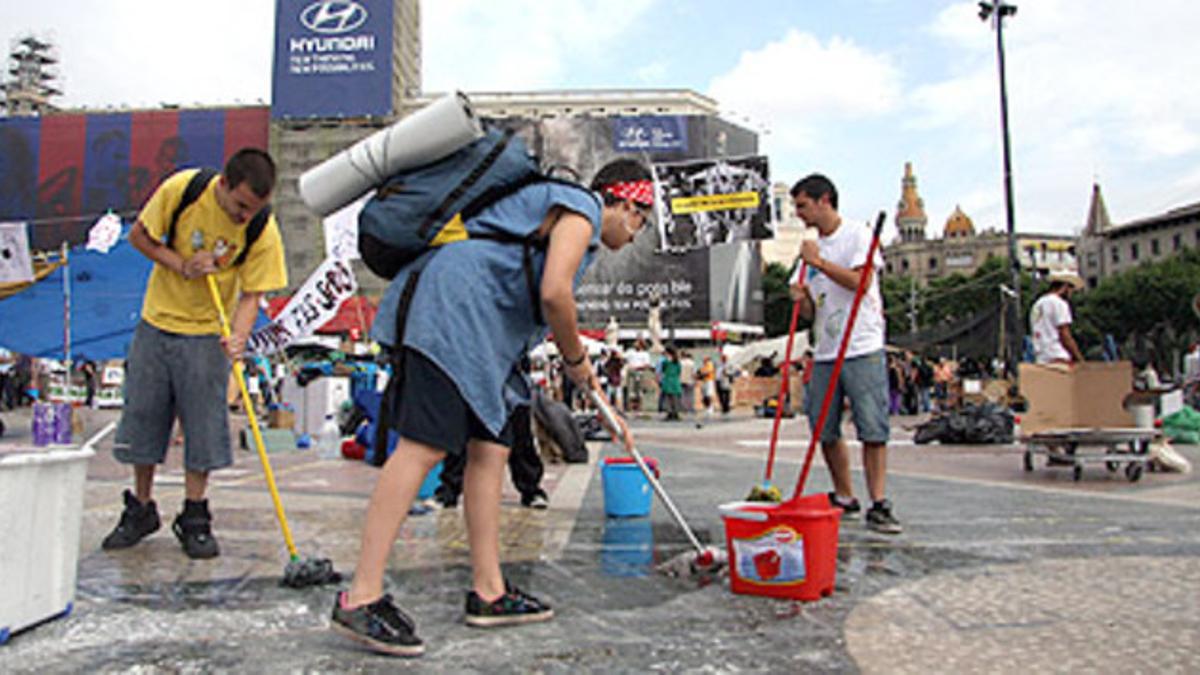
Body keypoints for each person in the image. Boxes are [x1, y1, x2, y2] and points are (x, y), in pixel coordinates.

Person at [330, 159, 644, 657]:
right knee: (424, 447)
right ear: (628, 204)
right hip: (450, 313)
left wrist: (590, 384)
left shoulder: (559, 210)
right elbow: (555, 295)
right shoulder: (581, 207)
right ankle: (361, 594)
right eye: (640, 222)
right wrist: (578, 364)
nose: (635, 234)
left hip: (487, 339)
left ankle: (489, 590)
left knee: (491, 449)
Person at [101, 148, 286, 560]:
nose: (243, 218)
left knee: (203, 426)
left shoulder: (261, 227)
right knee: (144, 418)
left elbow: (253, 293)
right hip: (158, 321)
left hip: (207, 332)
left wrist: (238, 338)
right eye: (239, 206)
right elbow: (141, 238)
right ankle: (141, 507)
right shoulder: (183, 190)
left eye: (253, 210)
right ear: (223, 184)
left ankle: (195, 515)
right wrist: (180, 264)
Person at [788, 173, 900, 535]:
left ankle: (879, 501)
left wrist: (819, 264)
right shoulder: (808, 250)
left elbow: (860, 282)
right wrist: (801, 297)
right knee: (823, 426)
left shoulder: (856, 235)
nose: (798, 214)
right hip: (824, 349)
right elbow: (809, 312)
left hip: (861, 346)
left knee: (872, 427)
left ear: (824, 201)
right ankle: (844, 494)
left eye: (803, 205)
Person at [1029, 271, 1085, 365]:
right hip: (1057, 354)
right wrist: (1079, 358)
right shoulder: (1059, 303)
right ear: (1065, 287)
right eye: (1071, 288)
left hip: (1041, 356)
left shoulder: (1038, 304)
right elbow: (1064, 334)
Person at [659, 347, 683, 421]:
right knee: (675, 398)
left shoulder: (665, 361)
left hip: (668, 380)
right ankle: (675, 413)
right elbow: (679, 371)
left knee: (668, 398)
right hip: (675, 380)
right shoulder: (677, 362)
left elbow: (662, 369)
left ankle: (670, 413)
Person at [698, 355, 716, 423]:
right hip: (704, 381)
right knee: (705, 396)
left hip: (709, 380)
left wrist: (702, 373)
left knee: (709, 395)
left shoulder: (710, 364)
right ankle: (707, 407)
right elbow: (700, 371)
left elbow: (707, 371)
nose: (703, 360)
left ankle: (710, 408)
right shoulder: (704, 365)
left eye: (704, 359)